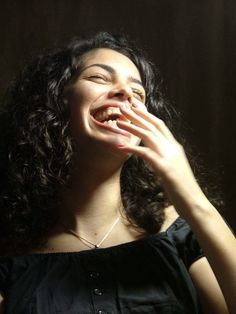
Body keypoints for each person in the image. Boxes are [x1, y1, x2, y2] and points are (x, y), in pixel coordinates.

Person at [0, 32, 235, 314]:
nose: (125, 93)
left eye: (138, 93)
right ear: (57, 101)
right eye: (98, 78)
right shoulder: (9, 248)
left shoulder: (178, 233)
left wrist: (192, 198)